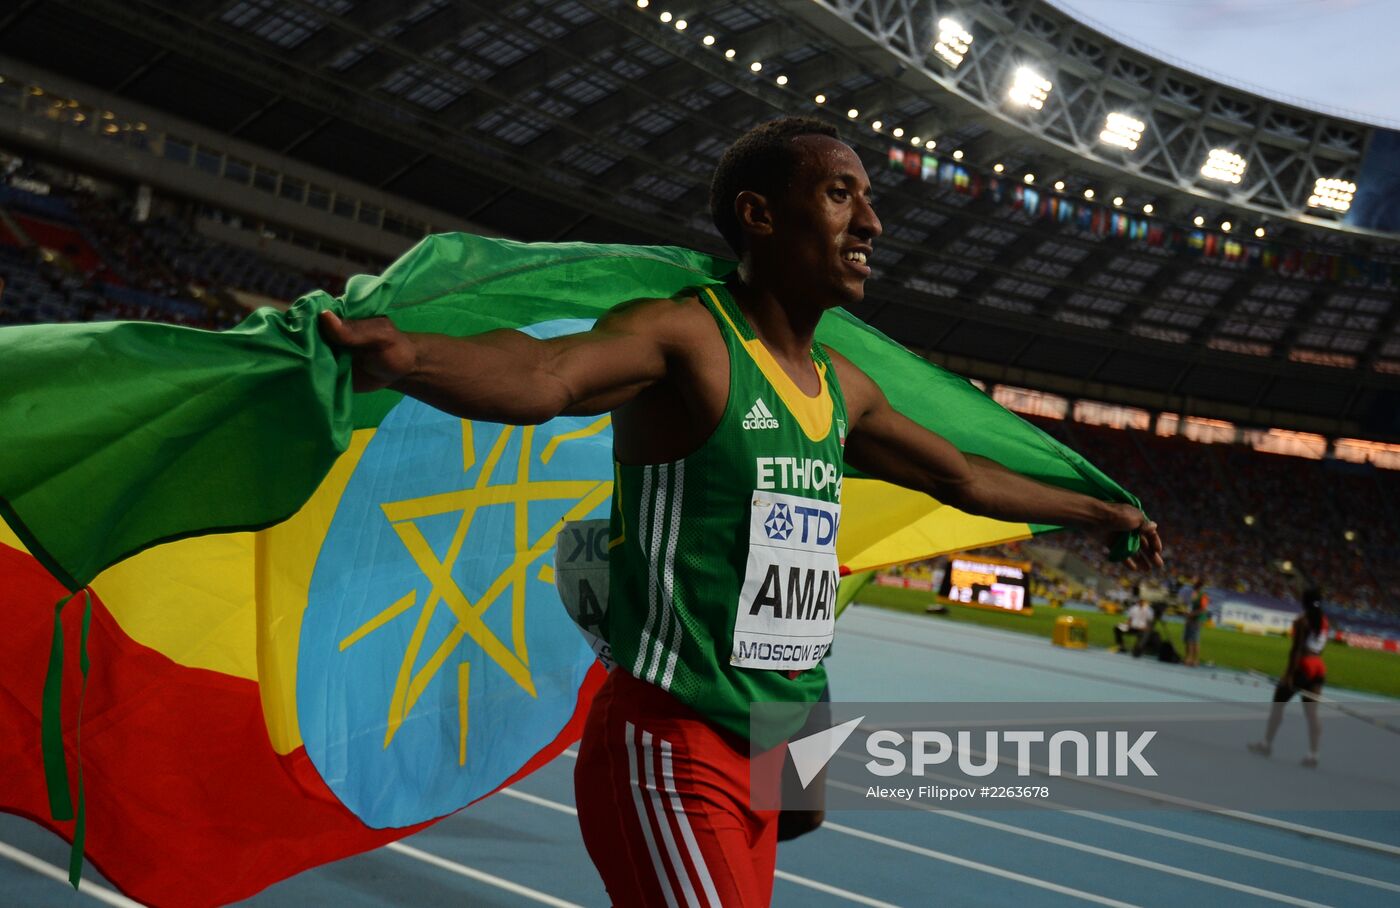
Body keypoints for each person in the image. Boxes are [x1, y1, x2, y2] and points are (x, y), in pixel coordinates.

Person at [320, 117, 1163, 907]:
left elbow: (968, 481)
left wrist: (1102, 513)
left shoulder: (842, 389)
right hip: (672, 744)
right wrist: (409, 358)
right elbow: (548, 375)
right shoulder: (690, 341)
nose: (871, 223)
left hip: (780, 726)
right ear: (759, 215)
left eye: (869, 200)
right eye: (841, 194)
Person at [1249, 588, 1328, 767]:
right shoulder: (1323, 621)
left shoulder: (1302, 621)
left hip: (1304, 666)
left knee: (1278, 705)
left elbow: (1296, 650)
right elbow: (1321, 648)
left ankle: (1266, 744)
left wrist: (1289, 675)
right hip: (1318, 666)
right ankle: (1313, 754)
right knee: (1312, 713)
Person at [1182, 578, 1209, 667]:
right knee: (1188, 639)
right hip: (1191, 618)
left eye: (1195, 584)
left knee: (1194, 640)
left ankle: (1194, 659)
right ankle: (1188, 658)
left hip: (1197, 619)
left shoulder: (1203, 595)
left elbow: (1203, 609)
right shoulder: (1195, 594)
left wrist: (1192, 614)